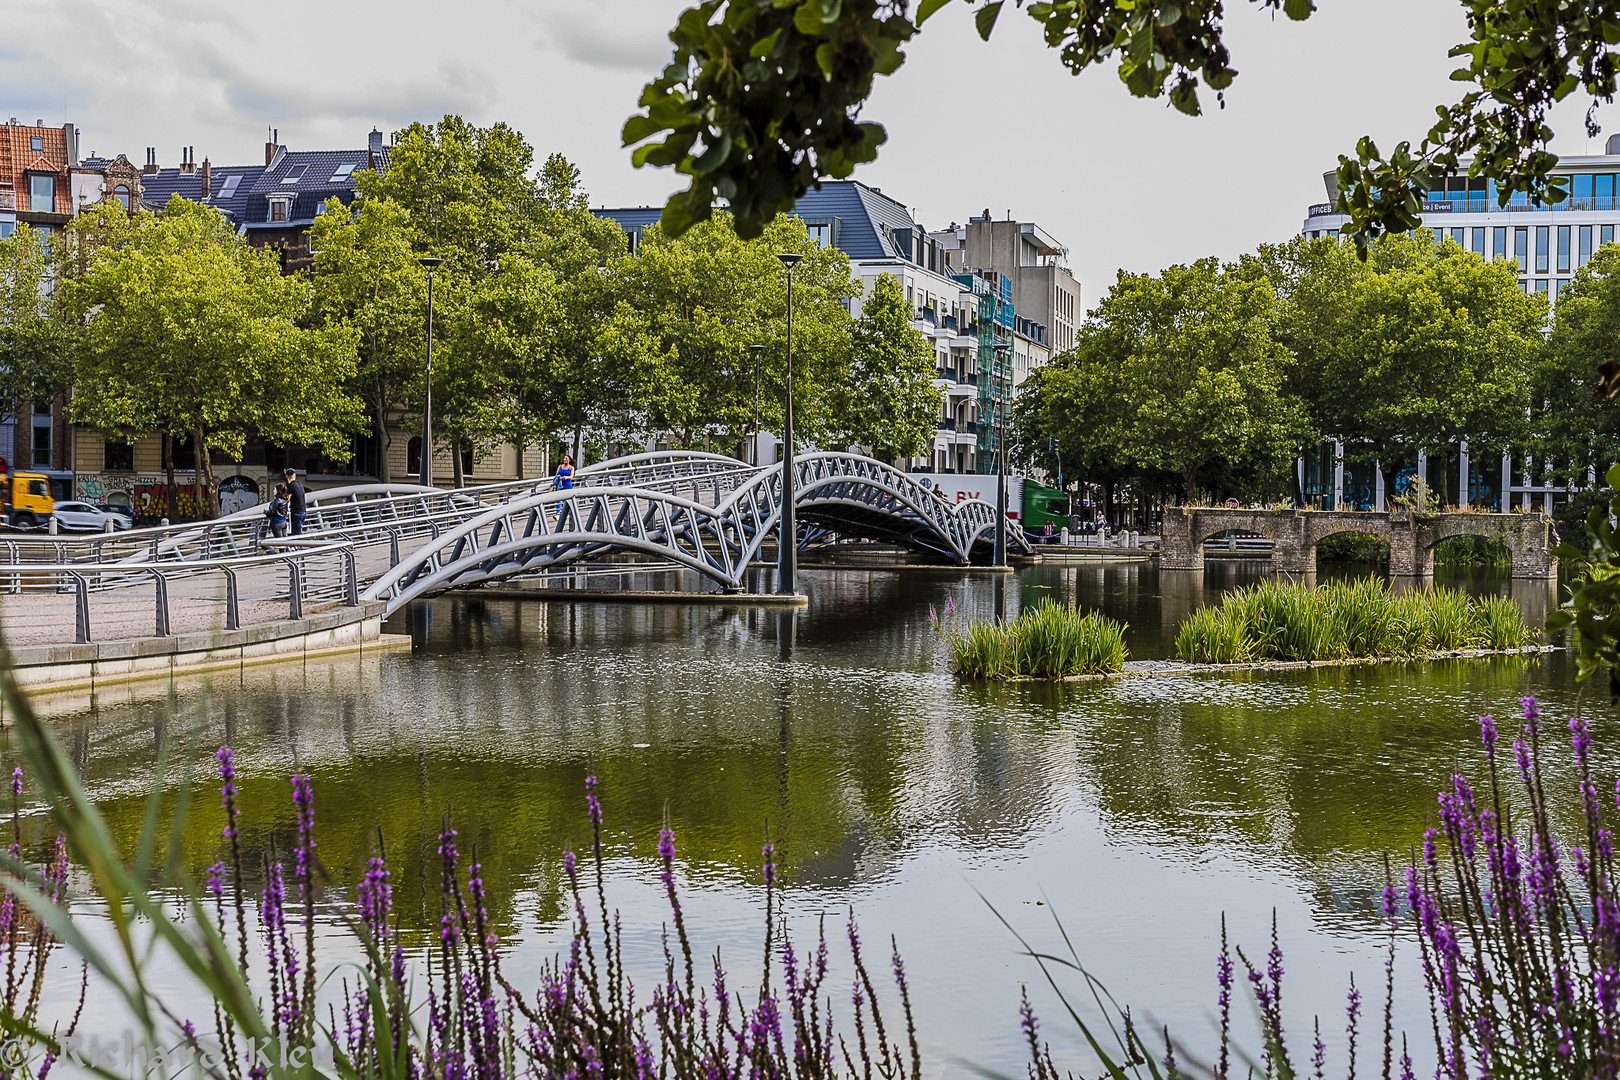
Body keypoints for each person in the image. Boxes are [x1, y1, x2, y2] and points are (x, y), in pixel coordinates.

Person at [283, 468, 307, 535]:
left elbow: (287, 499)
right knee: (297, 531)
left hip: (297, 513)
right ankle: (298, 544)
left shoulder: (290, 485)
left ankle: (299, 545)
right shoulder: (300, 484)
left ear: (286, 477)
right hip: (304, 511)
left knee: (296, 533)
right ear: (295, 476)